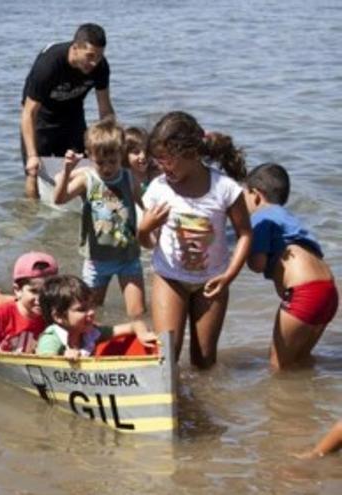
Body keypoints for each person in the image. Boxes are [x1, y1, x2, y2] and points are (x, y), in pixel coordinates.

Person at [137, 111, 252, 368]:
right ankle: (173, 403)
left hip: (213, 282)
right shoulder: (158, 188)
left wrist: (229, 276)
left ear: (192, 153)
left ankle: (200, 404)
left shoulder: (224, 188)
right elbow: (147, 242)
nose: (161, 167)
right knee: (167, 356)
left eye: (167, 160)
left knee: (204, 359)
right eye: (158, 161)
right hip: (170, 278)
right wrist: (144, 230)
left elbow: (245, 233)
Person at [243, 163, 337, 370]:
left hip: (305, 293)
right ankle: (305, 400)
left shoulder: (260, 217)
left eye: (244, 197)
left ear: (256, 195)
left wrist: (244, 248)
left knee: (278, 365)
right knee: (300, 360)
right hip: (328, 291)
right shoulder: (290, 219)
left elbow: (258, 265)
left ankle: (283, 402)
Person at [53, 117, 145, 317]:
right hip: (97, 260)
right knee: (91, 313)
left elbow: (146, 205)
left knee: (137, 312)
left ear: (121, 155)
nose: (107, 168)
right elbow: (59, 199)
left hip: (128, 256)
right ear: (89, 156)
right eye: (100, 162)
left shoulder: (129, 178)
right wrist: (68, 170)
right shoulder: (87, 180)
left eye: (112, 162)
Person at [20, 23, 115, 199]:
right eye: (90, 56)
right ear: (75, 48)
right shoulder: (49, 65)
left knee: (86, 167)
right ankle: (30, 217)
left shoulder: (100, 67)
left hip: (72, 116)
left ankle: (80, 216)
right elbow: (28, 113)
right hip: (41, 119)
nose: (94, 63)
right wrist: (32, 156)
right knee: (33, 171)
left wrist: (113, 143)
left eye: (100, 56)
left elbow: (105, 107)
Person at [35, 274, 157, 360]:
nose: (91, 312)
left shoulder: (91, 332)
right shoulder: (51, 339)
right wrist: (61, 359)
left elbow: (134, 325)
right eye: (82, 309)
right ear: (58, 317)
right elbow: (43, 364)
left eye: (91, 306)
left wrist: (143, 334)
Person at [124, 126, 158, 194]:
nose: (143, 156)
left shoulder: (155, 173)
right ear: (125, 154)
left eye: (146, 151)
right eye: (136, 152)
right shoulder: (124, 178)